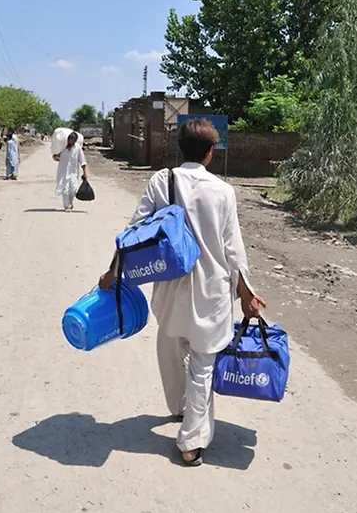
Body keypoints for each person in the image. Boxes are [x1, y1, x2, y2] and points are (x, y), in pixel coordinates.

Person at [99, 119, 265, 467]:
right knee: (203, 364)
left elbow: (135, 230)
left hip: (171, 289)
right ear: (209, 154)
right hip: (211, 293)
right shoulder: (223, 191)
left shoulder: (162, 180)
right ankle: (191, 441)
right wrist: (248, 294)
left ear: (180, 149)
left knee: (170, 347)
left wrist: (113, 271)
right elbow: (234, 250)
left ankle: (179, 406)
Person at [54, 131, 87, 211]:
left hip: (73, 172)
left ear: (75, 140)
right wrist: (56, 157)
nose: (71, 142)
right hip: (63, 172)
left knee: (73, 189)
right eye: (70, 139)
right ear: (67, 139)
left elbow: (82, 161)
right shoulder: (62, 147)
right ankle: (67, 205)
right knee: (65, 189)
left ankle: (70, 202)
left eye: (73, 140)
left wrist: (85, 172)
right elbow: (55, 156)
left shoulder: (77, 148)